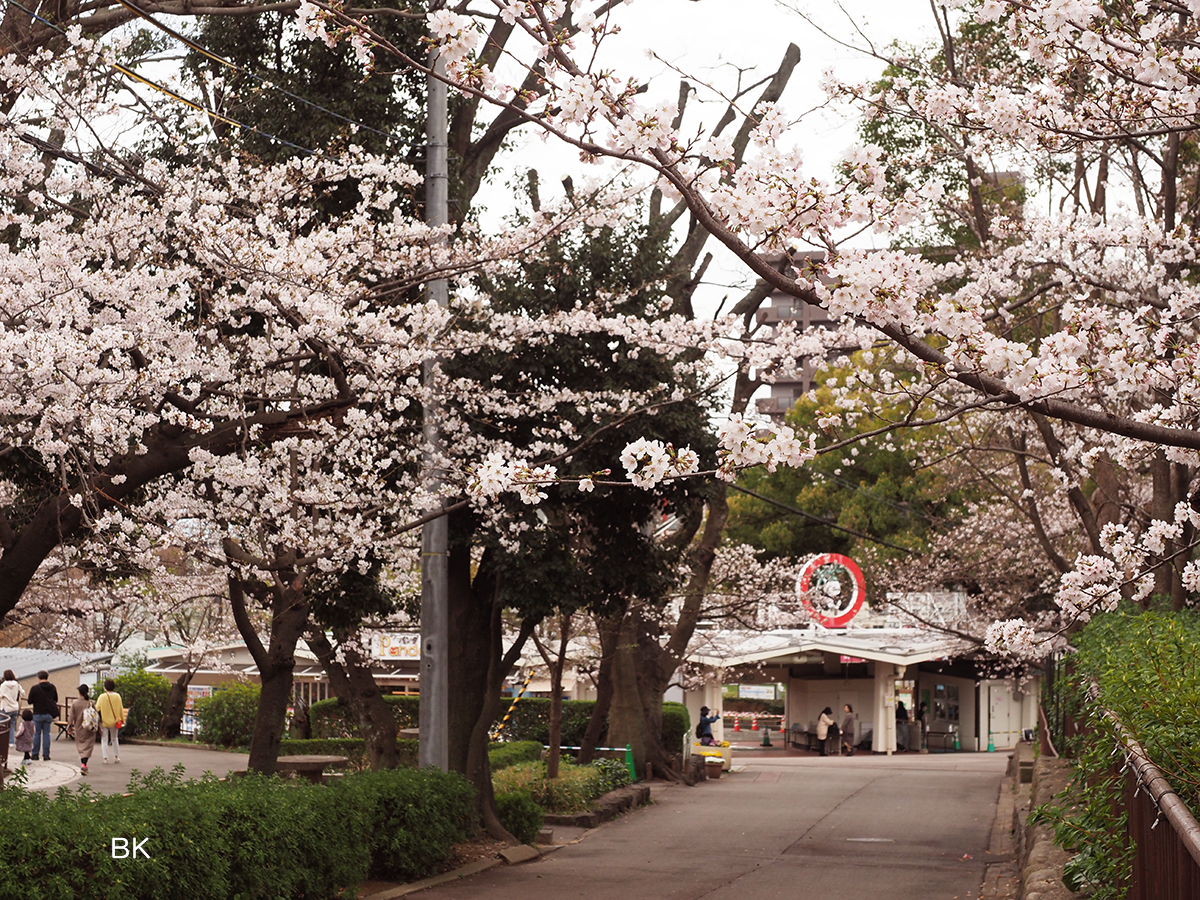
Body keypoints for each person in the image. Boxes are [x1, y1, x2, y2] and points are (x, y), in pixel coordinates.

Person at [27, 669, 58, 762]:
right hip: (48, 714)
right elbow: (55, 699)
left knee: (36, 734)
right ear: (47, 677)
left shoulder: (35, 688)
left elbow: (29, 701)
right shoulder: (52, 687)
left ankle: (35, 754)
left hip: (37, 714)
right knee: (46, 734)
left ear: (39, 677)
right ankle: (46, 755)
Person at [69, 684, 97, 775]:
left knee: (81, 746)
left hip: (79, 728)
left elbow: (71, 716)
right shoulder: (91, 702)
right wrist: (99, 727)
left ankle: (83, 763)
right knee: (88, 746)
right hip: (89, 728)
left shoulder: (75, 703)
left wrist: (69, 726)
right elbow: (96, 716)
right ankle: (84, 764)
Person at [96, 678, 123, 763]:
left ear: (105, 687)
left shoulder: (102, 697)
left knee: (104, 739)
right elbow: (120, 708)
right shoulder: (117, 696)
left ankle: (105, 758)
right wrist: (121, 719)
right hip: (115, 721)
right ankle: (116, 757)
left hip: (104, 721)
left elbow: (97, 708)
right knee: (115, 738)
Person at [0, 669, 26, 744]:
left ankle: (2, 741)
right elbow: (23, 693)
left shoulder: (3, 685)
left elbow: (0, 696)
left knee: (2, 725)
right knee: (12, 725)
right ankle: (11, 742)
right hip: (15, 707)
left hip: (5, 708)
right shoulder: (16, 684)